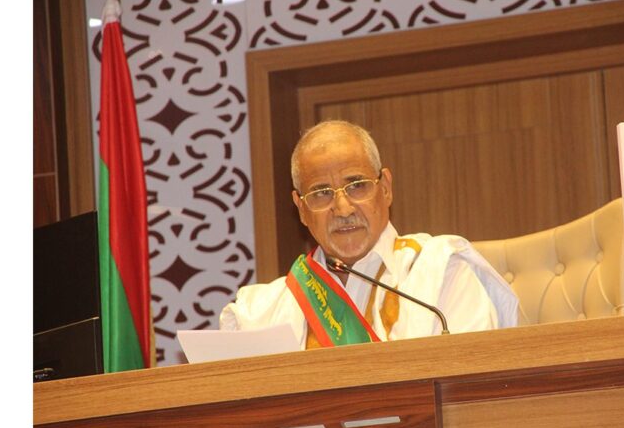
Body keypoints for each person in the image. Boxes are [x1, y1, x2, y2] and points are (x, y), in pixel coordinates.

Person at [220, 120, 518, 349]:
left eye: (357, 186)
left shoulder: (442, 271)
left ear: (385, 188)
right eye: (322, 193)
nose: (343, 208)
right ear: (301, 208)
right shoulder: (260, 312)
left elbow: (469, 385)